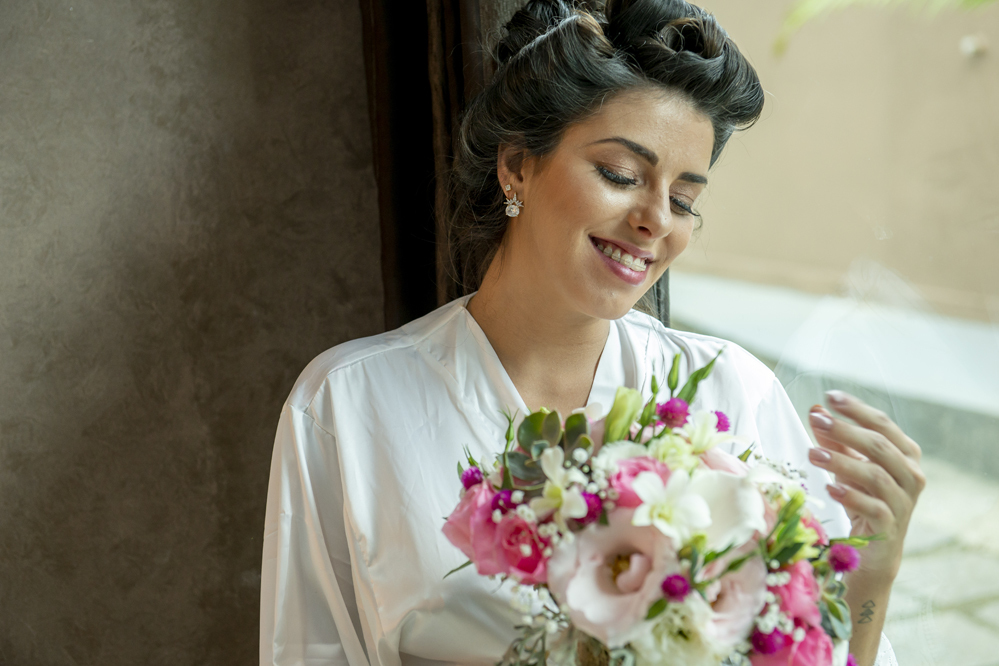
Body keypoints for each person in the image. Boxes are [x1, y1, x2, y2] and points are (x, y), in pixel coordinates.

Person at [259, 1, 924, 664]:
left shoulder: (731, 392)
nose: (657, 219)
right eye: (620, 175)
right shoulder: (346, 406)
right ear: (517, 165)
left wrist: (871, 579)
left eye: (685, 199)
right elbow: (308, 648)